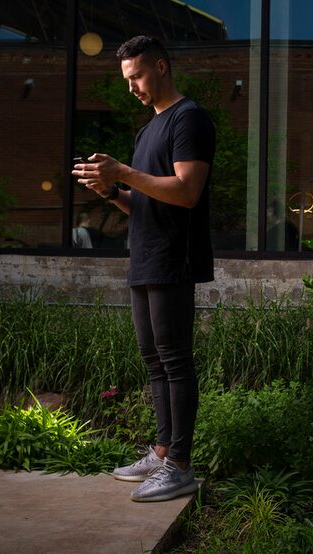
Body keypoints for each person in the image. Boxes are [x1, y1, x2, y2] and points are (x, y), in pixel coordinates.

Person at [72, 35, 215, 503]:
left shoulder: (188, 118)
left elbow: (185, 192)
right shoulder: (146, 129)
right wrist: (112, 192)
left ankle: (180, 464)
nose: (131, 86)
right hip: (146, 255)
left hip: (175, 256)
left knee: (175, 359)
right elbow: (149, 200)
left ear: (161, 65)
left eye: (136, 76)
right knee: (154, 360)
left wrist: (123, 173)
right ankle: (160, 451)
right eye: (126, 79)